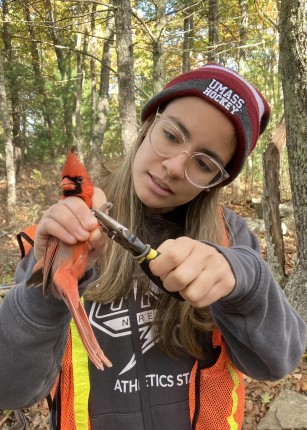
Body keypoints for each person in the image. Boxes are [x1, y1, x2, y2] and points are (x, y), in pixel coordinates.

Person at [0, 63, 306, 430]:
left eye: (205, 163)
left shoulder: (229, 235)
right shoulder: (63, 230)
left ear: (215, 182)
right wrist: (48, 287)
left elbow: (279, 361)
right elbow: (10, 389)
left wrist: (246, 280)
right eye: (173, 136)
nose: (175, 167)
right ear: (148, 125)